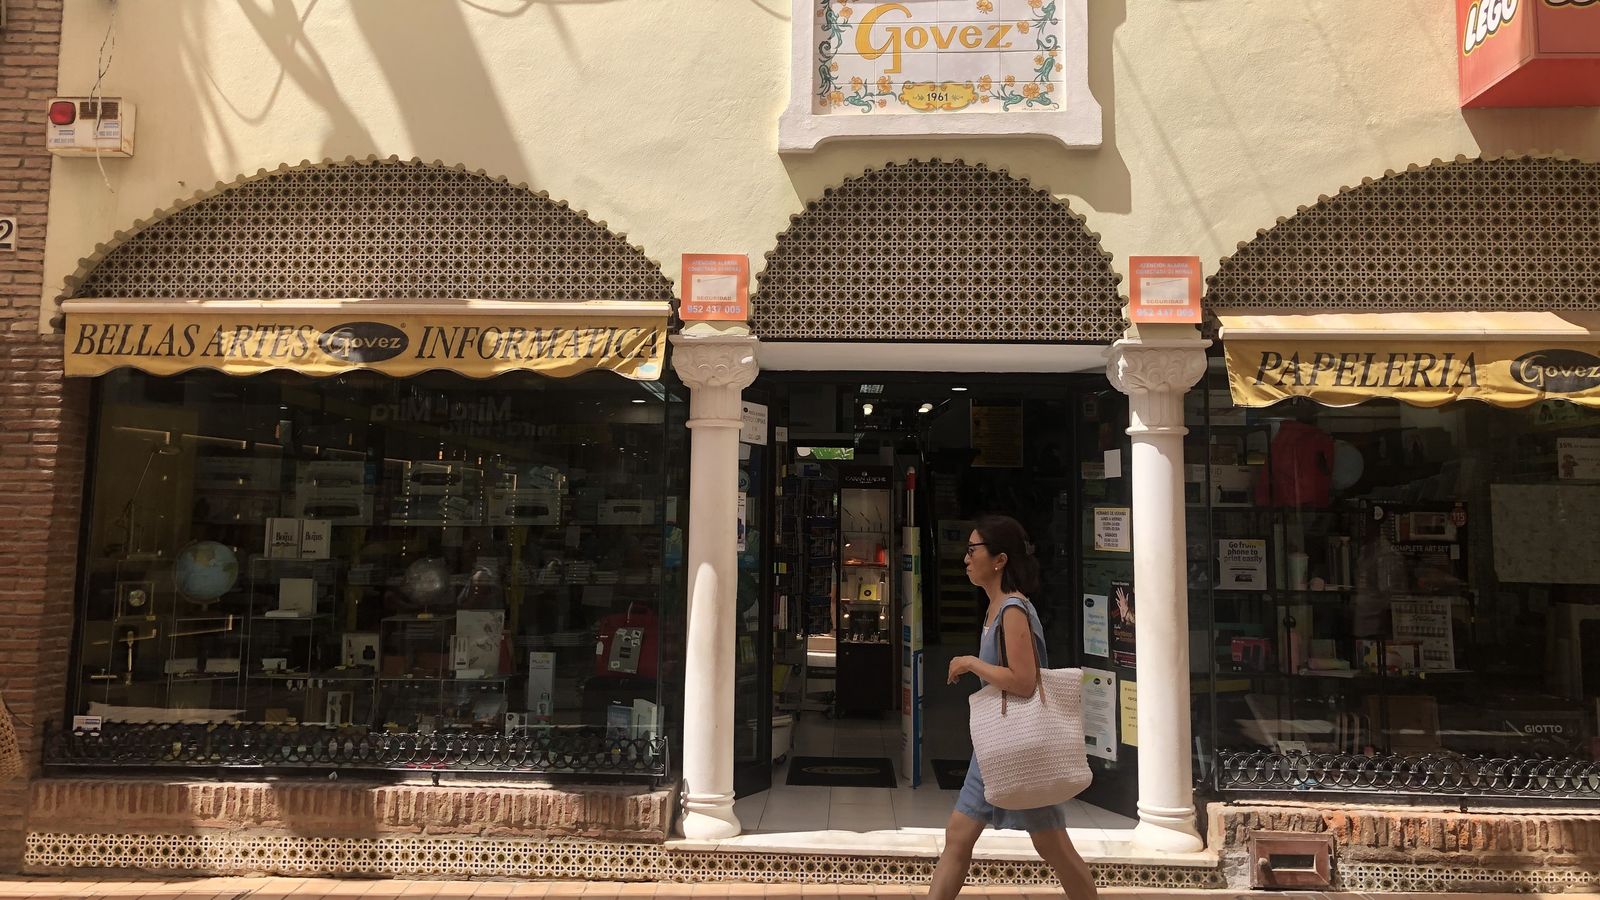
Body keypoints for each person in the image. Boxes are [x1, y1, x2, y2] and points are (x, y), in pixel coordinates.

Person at [931, 514, 1098, 900]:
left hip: (1023, 750)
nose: (966, 558)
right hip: (997, 751)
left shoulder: (1012, 610)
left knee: (1052, 845)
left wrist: (970, 663)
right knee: (958, 836)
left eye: (974, 550)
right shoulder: (995, 609)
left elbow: (1024, 682)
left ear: (1000, 559)